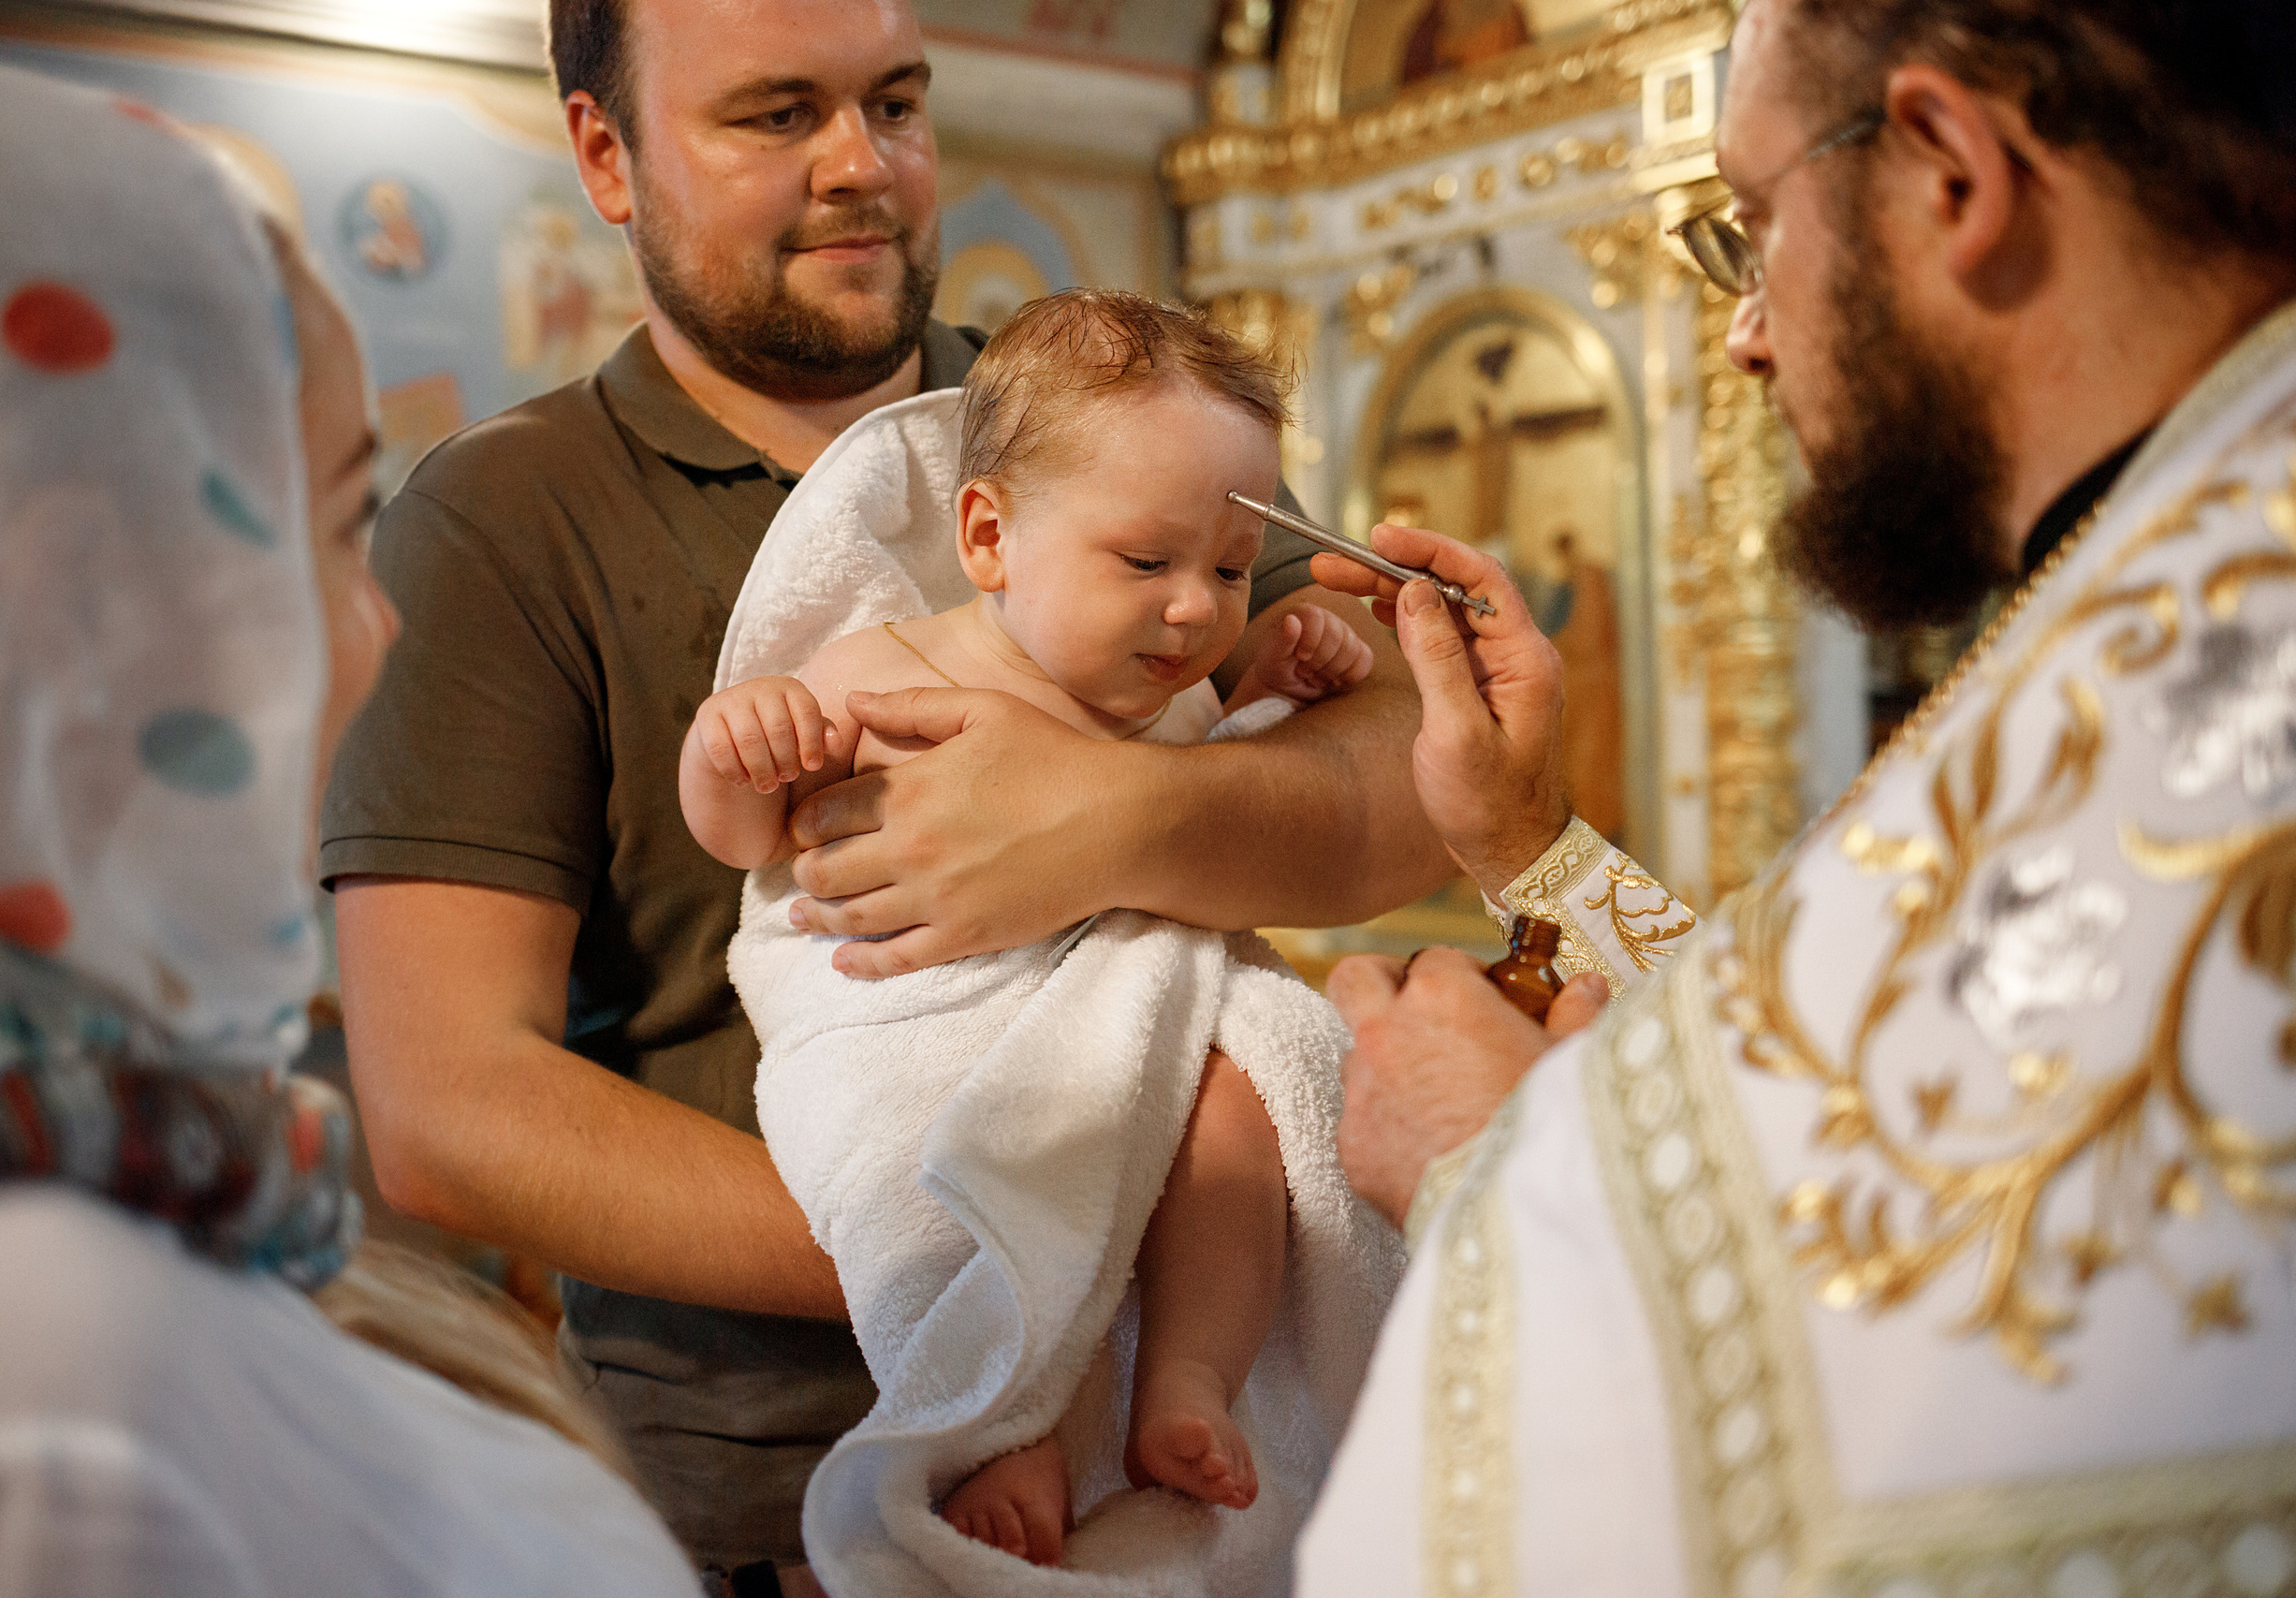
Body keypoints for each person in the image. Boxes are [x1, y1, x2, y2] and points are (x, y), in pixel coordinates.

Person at [320, 0, 1445, 1578]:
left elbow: (1411, 763)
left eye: (896, 103)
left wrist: (1108, 820)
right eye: (777, 115)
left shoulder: (1103, 425)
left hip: (1184, 1435)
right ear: (607, 153)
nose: (865, 166)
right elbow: (450, 1112)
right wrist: (1017, 1248)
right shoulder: (505, 521)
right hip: (751, 1491)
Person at [1297, 2, 2296, 1591]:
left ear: (1954, 171)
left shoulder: (2262, 643)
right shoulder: (2229, 557)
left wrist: (1487, 1166)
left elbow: (1892, 1452)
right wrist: (1529, 849)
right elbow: (1904, 1116)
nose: (1745, 333)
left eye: (1751, 225)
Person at [0, 65, 695, 1596]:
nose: (372, 633)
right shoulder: (61, 1387)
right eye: (327, 529)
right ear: (86, 602)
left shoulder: (135, 1184)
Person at [684, 289, 1399, 1587]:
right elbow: (747, 842)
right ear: (988, 536)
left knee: (1248, 1105)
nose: (1194, 612)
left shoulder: (1172, 698)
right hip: (931, 1032)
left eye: (1232, 570)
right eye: (1146, 563)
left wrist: (1276, 691)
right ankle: (1003, 1425)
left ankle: (1191, 1376)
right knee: (983, 1179)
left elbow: (1213, 819)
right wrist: (737, 750)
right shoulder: (885, 668)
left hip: (1136, 1018)